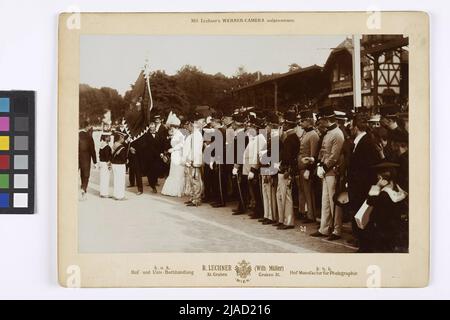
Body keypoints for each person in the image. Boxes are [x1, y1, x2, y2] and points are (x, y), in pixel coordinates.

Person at [310, 106, 344, 240]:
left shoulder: (337, 133)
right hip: (325, 171)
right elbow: (323, 151)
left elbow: (334, 156)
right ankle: (324, 228)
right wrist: (319, 164)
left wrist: (323, 166)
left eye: (321, 119)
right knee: (325, 201)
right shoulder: (329, 132)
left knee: (333, 201)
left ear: (327, 119)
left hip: (332, 172)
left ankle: (337, 230)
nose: (320, 122)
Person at [347, 113, 381, 245]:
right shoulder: (363, 141)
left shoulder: (365, 142)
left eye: (351, 125)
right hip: (359, 184)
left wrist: (355, 183)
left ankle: (362, 239)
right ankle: (359, 237)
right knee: (357, 210)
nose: (350, 128)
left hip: (361, 185)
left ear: (356, 127)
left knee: (361, 210)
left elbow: (364, 166)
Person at [358, 162, 408, 253]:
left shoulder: (383, 195)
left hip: (383, 233)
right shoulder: (399, 190)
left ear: (381, 179)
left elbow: (370, 201)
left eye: (378, 178)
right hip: (397, 231)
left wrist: (377, 186)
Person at [276, 110, 300, 230]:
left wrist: (288, 170)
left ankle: (288, 221)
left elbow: (288, 157)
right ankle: (283, 219)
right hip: (284, 168)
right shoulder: (290, 137)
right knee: (282, 195)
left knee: (287, 196)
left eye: (284, 123)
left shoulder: (291, 138)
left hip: (286, 169)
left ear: (288, 124)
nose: (283, 125)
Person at [297, 109, 320, 224]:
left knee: (309, 192)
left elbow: (313, 154)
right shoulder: (306, 133)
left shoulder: (313, 135)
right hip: (301, 168)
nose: (300, 123)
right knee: (303, 191)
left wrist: (309, 170)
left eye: (302, 121)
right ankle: (305, 212)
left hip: (307, 168)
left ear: (308, 121)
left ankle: (311, 215)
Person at [259, 112, 280, 225]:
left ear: (271, 124)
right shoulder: (270, 137)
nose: (266, 127)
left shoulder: (275, 137)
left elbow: (274, 155)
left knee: (271, 193)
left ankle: (272, 215)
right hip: (266, 165)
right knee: (266, 192)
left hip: (270, 167)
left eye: (267, 125)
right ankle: (267, 214)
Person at [161, 115, 186, 197]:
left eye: (173, 128)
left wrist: (174, 149)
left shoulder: (180, 134)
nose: (171, 129)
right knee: (173, 171)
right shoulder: (175, 134)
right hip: (174, 154)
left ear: (176, 127)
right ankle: (172, 189)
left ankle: (177, 190)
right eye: (171, 127)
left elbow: (182, 144)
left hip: (178, 154)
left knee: (177, 172)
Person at [185, 113, 204, 207]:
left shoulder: (197, 135)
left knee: (196, 180)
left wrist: (193, 160)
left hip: (195, 161)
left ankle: (197, 199)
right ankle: (193, 197)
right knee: (192, 180)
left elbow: (196, 150)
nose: (187, 127)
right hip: (191, 161)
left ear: (191, 125)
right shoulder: (193, 135)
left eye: (188, 125)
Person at [79, 120, 97, 200]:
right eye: (89, 126)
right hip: (86, 158)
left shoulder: (78, 135)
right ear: (86, 127)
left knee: (81, 173)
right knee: (86, 175)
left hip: (78, 157)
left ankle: (82, 187)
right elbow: (92, 150)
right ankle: (83, 188)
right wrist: (95, 161)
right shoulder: (89, 137)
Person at [145, 122, 163, 193]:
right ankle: (152, 186)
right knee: (150, 171)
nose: (152, 129)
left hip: (157, 156)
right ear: (149, 128)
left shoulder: (158, 134)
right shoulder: (146, 135)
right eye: (151, 127)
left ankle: (155, 182)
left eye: (153, 127)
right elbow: (144, 146)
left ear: (155, 127)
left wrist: (161, 152)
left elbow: (161, 144)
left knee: (156, 170)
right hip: (149, 156)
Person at [111, 131, 128, 200]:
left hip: (114, 164)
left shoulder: (114, 144)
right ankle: (120, 196)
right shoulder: (122, 147)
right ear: (120, 138)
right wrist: (126, 160)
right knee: (121, 180)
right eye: (123, 138)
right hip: (120, 165)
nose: (123, 139)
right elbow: (123, 158)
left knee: (116, 180)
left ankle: (115, 195)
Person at [98, 133, 112, 198]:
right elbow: (107, 158)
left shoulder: (102, 145)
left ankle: (102, 192)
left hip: (102, 163)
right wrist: (109, 166)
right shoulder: (106, 147)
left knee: (103, 178)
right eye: (109, 137)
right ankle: (104, 193)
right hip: (105, 164)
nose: (110, 138)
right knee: (105, 178)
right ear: (106, 138)